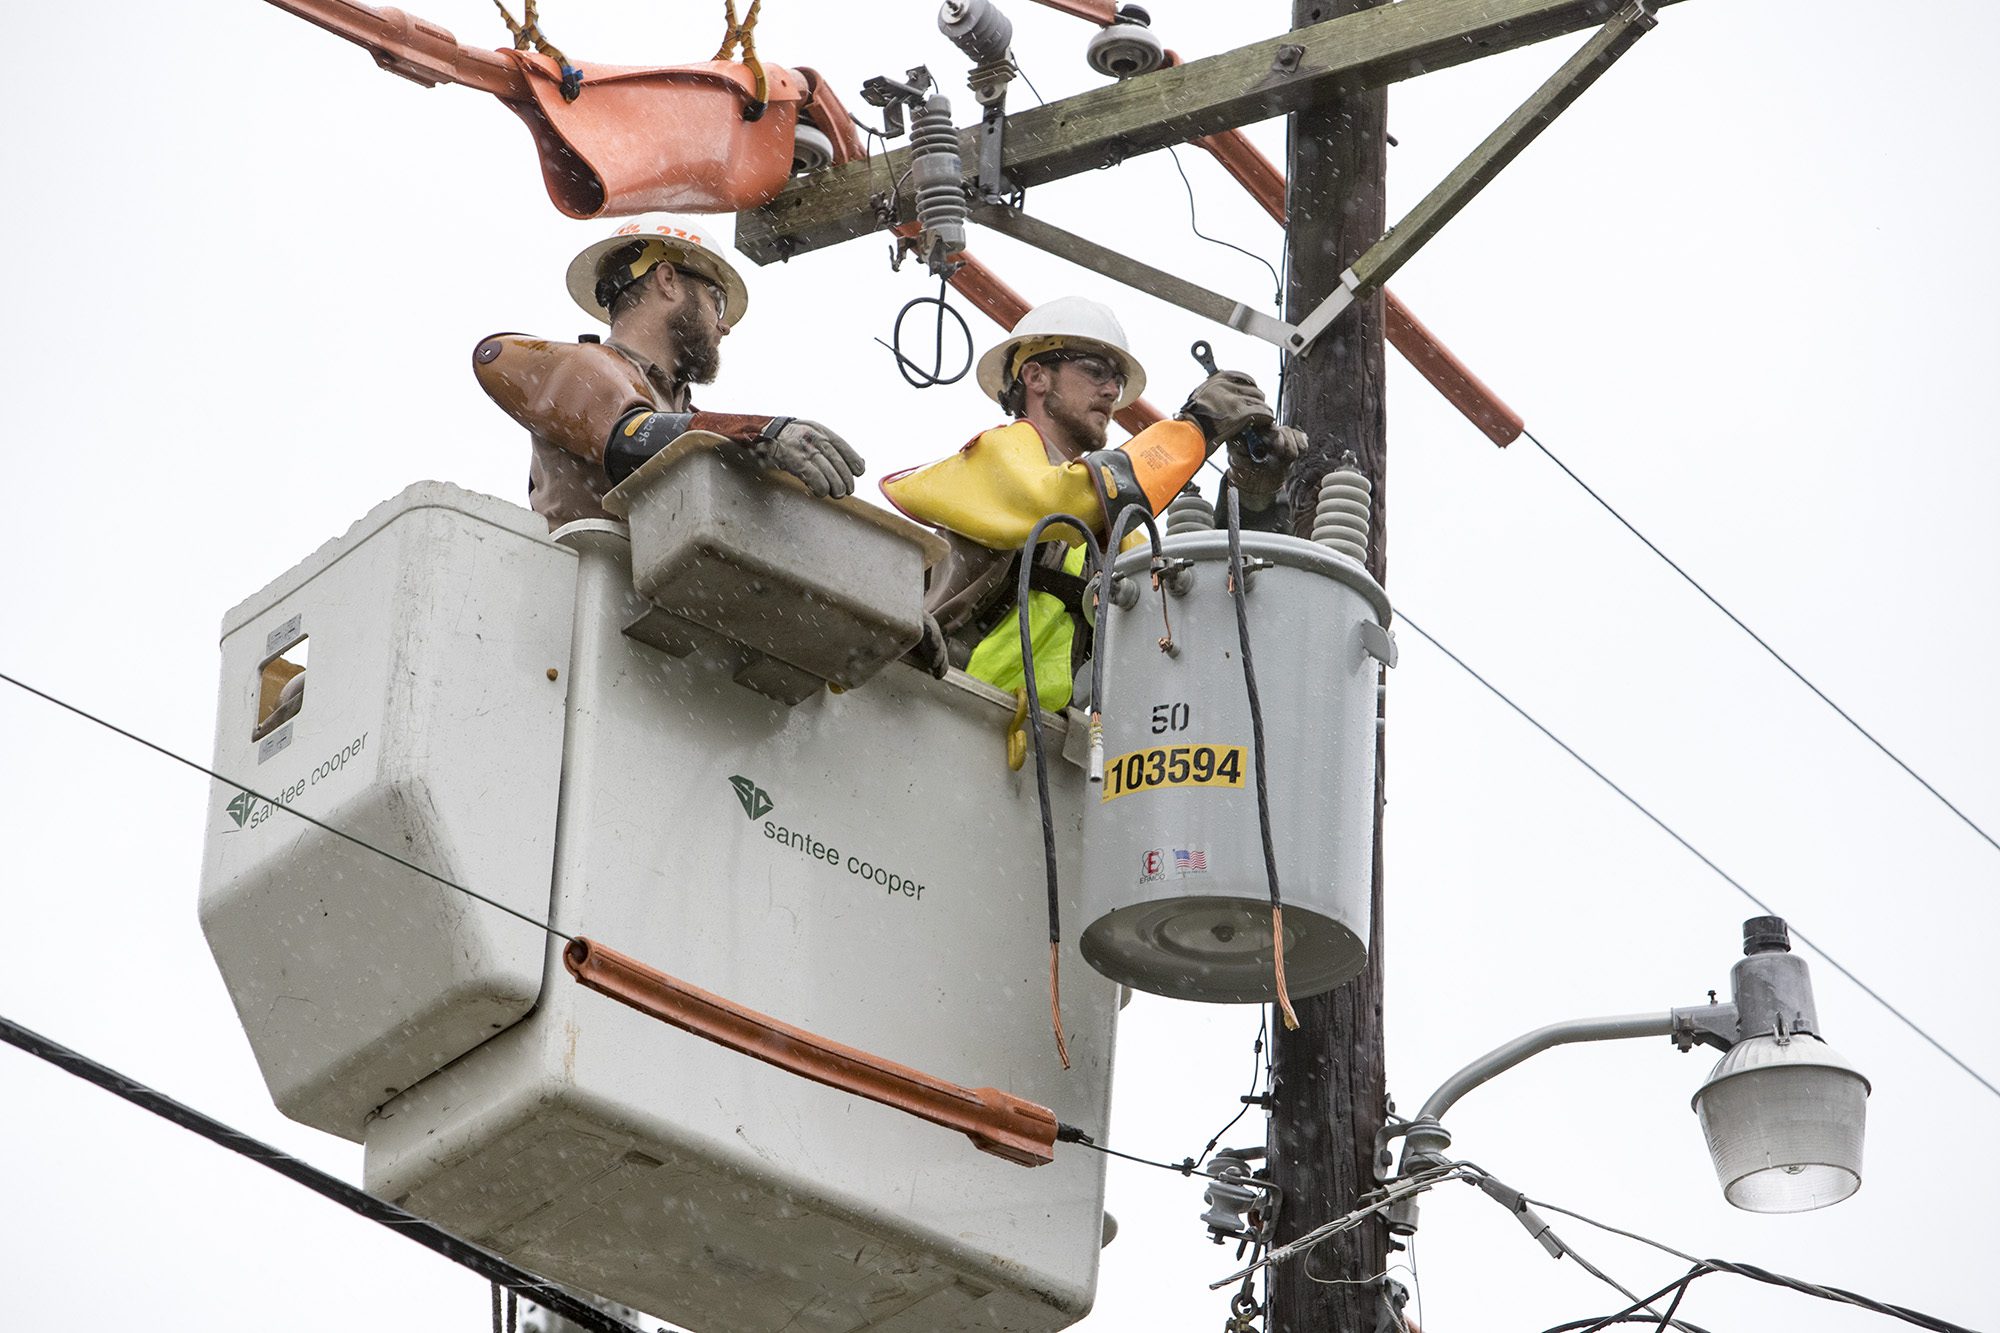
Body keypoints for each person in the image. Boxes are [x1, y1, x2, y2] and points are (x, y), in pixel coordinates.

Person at [881, 297, 1302, 710]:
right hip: (937, 703)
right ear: (1036, 376)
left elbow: (1184, 612)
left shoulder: (1109, 527)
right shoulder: (998, 456)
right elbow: (1057, 501)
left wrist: (1255, 496)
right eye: (1095, 370)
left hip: (1036, 743)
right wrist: (1197, 429)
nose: (1112, 390)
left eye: (1117, 380)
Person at [474, 218, 865, 529]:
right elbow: (631, 438)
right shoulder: (584, 368)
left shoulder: (683, 419)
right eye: (718, 300)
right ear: (667, 280)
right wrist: (760, 432)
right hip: (586, 596)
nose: (724, 325)